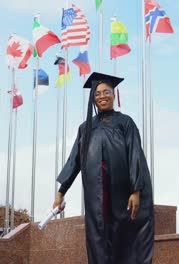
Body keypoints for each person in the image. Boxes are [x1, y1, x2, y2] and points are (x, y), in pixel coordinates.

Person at [53, 72, 154, 264]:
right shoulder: (85, 128)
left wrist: (136, 190)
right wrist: (61, 192)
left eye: (106, 92)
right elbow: (74, 160)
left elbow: (135, 155)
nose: (102, 96)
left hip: (122, 192)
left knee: (124, 237)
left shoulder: (125, 122)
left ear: (114, 95)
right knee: (98, 238)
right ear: (93, 99)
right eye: (97, 94)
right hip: (96, 196)